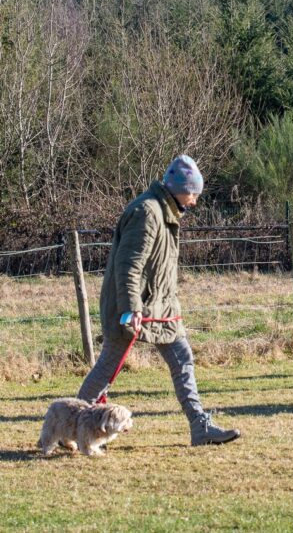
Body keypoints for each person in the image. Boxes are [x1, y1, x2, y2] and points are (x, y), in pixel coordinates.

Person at [77, 155, 241, 446]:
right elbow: (129, 266)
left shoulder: (164, 211)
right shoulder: (147, 212)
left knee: (183, 360)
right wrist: (130, 310)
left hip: (162, 308)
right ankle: (74, 424)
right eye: (193, 193)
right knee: (107, 368)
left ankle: (200, 427)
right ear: (180, 188)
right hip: (130, 307)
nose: (194, 201)